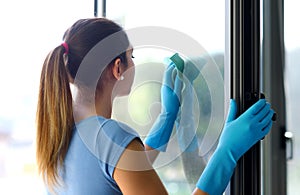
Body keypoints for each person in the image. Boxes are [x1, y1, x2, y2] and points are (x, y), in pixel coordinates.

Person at [36, 18, 275, 195]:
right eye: (132, 57)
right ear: (117, 68)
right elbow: (117, 160)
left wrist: (166, 118)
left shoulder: (58, 133)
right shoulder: (111, 137)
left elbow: (118, 172)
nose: (133, 64)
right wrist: (226, 153)